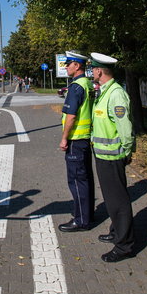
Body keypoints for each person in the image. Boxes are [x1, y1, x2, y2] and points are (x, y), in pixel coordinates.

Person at [89, 52, 135, 262]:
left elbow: (125, 128)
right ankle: (117, 232)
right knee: (111, 199)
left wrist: (126, 151)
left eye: (93, 69)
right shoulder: (105, 91)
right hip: (103, 155)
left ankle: (124, 246)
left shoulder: (115, 94)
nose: (92, 72)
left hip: (113, 157)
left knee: (119, 202)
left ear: (99, 70)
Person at [58, 51, 95, 232]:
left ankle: (81, 220)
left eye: (68, 64)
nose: (66, 67)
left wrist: (64, 138)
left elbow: (71, 116)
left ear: (77, 66)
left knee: (76, 181)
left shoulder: (76, 87)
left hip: (76, 140)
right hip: (85, 140)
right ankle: (87, 214)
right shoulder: (87, 84)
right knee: (86, 178)